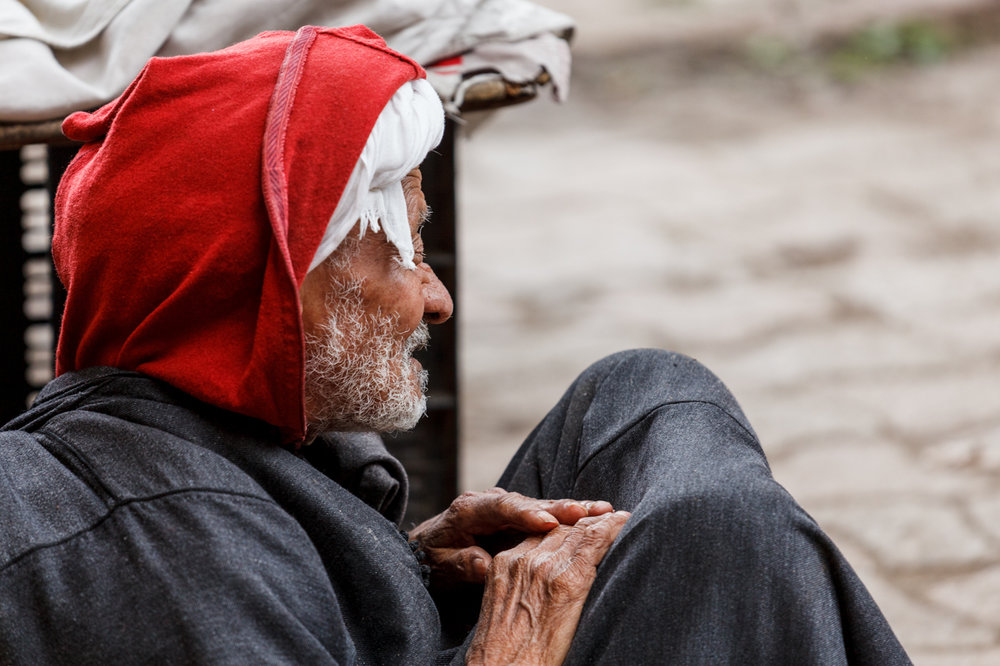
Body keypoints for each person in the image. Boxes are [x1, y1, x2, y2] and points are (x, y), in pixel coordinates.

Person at [0, 25, 910, 665]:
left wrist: (395, 565)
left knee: (640, 392)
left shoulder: (186, 452)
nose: (437, 300)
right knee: (724, 538)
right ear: (276, 290)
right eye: (405, 257)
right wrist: (507, 650)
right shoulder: (161, 554)